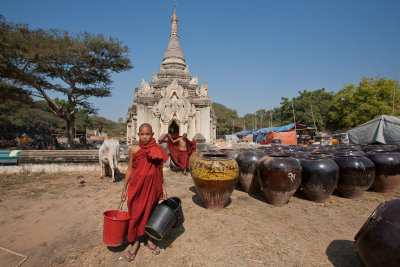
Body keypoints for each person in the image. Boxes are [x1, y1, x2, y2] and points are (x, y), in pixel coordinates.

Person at [119, 123, 169, 262]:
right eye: (142, 134)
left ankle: (149, 240)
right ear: (138, 135)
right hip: (137, 187)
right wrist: (124, 189)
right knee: (135, 214)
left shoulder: (157, 149)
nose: (145, 137)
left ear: (152, 135)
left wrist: (163, 188)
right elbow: (129, 169)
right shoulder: (134, 150)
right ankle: (135, 243)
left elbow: (159, 171)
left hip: (153, 187)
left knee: (151, 213)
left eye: (147, 134)